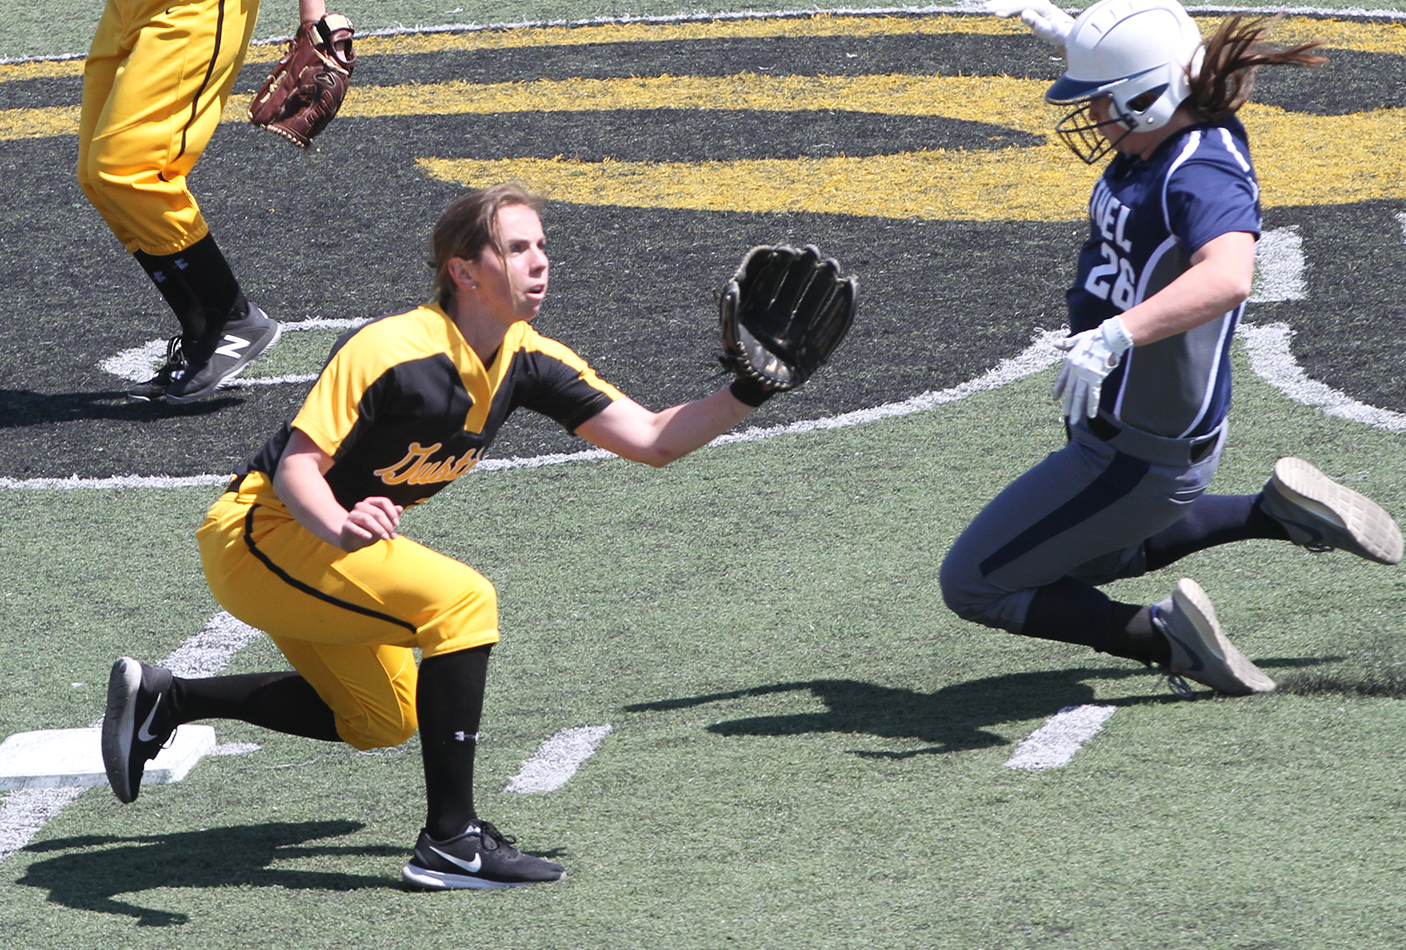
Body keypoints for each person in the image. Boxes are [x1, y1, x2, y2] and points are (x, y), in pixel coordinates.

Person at [102, 182, 786, 889]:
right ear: (463, 270)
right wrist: (339, 524)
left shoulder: (526, 358)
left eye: (542, 247)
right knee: (460, 602)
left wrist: (749, 391)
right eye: (516, 248)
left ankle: (171, 699)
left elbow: (651, 440)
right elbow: (298, 468)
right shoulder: (391, 349)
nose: (540, 262)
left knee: (381, 717)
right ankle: (451, 841)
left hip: (328, 552)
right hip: (262, 537)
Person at [941, 0, 1400, 696]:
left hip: (1137, 450)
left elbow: (1227, 275)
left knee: (975, 581)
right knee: (1080, 553)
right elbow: (1158, 75)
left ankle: (1167, 638)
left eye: (1100, 100)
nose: (1089, 117)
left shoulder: (1195, 173)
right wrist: (1078, 38)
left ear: (1148, 97)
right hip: (1139, 432)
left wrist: (1115, 334)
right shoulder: (1169, 130)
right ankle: (1268, 512)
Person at [78, 0, 345, 402]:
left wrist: (313, 17)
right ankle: (201, 331)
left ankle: (232, 315)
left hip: (193, 9)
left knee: (129, 170)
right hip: (128, 8)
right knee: (98, 177)